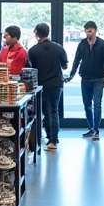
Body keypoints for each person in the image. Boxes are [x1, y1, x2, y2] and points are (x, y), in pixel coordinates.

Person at [25, 22, 68, 151]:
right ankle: (54, 138)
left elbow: (31, 68)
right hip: (56, 84)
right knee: (54, 111)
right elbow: (65, 65)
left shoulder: (33, 50)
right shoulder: (59, 48)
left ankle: (50, 138)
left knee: (44, 112)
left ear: (36, 33)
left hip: (41, 85)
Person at [66, 20, 104, 141]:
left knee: (97, 105)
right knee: (87, 105)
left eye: (90, 30)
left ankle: (96, 129)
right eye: (86, 30)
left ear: (95, 30)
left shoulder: (102, 44)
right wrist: (71, 76)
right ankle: (91, 127)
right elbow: (76, 60)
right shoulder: (82, 44)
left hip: (98, 79)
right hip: (85, 78)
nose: (88, 32)